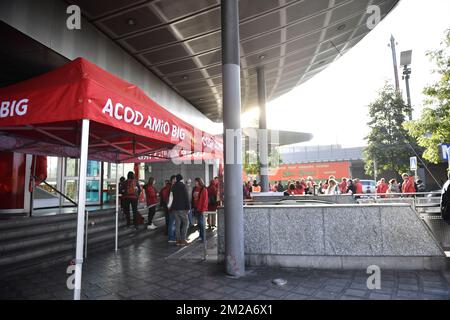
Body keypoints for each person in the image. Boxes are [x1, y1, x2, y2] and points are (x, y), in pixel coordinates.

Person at [168, 174, 190, 246]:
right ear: (181, 179)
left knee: (177, 224)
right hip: (182, 208)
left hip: (174, 209)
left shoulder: (173, 186)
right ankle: (183, 239)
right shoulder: (183, 186)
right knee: (186, 222)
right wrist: (188, 208)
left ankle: (178, 240)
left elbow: (171, 197)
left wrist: (169, 206)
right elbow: (186, 197)